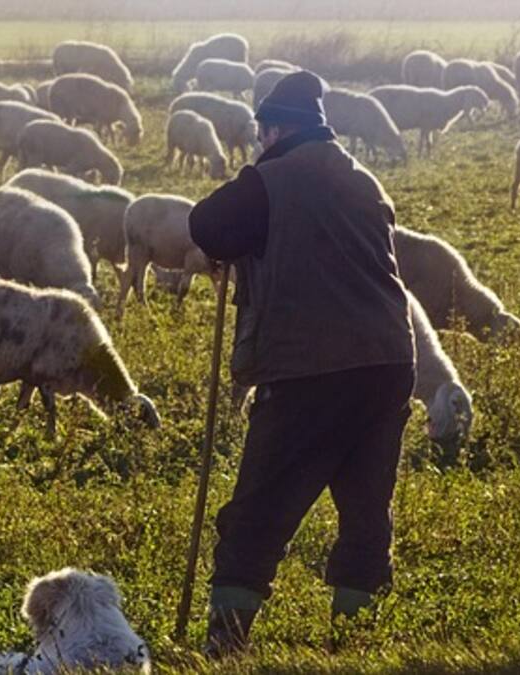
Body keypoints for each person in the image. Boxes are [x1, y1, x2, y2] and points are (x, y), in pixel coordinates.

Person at [187, 71, 416, 657]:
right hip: (388, 361)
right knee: (367, 506)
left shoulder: (272, 179)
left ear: (273, 128)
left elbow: (207, 224)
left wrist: (250, 183)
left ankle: (226, 643)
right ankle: (352, 642)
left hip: (311, 365)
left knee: (261, 503)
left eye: (262, 131)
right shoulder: (364, 180)